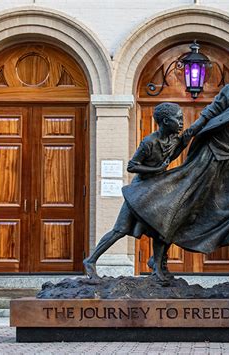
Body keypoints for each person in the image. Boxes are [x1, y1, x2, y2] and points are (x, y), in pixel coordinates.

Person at [123, 60, 229, 259]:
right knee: (187, 205)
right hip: (211, 155)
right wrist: (189, 133)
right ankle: (158, 259)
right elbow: (210, 113)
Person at [83, 102, 196, 281]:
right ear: (166, 121)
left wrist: (184, 142)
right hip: (139, 192)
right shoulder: (149, 142)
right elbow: (132, 166)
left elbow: (171, 155)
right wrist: (156, 170)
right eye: (178, 119)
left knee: (161, 229)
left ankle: (157, 267)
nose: (182, 122)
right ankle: (91, 260)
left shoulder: (174, 139)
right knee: (120, 230)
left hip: (157, 190)